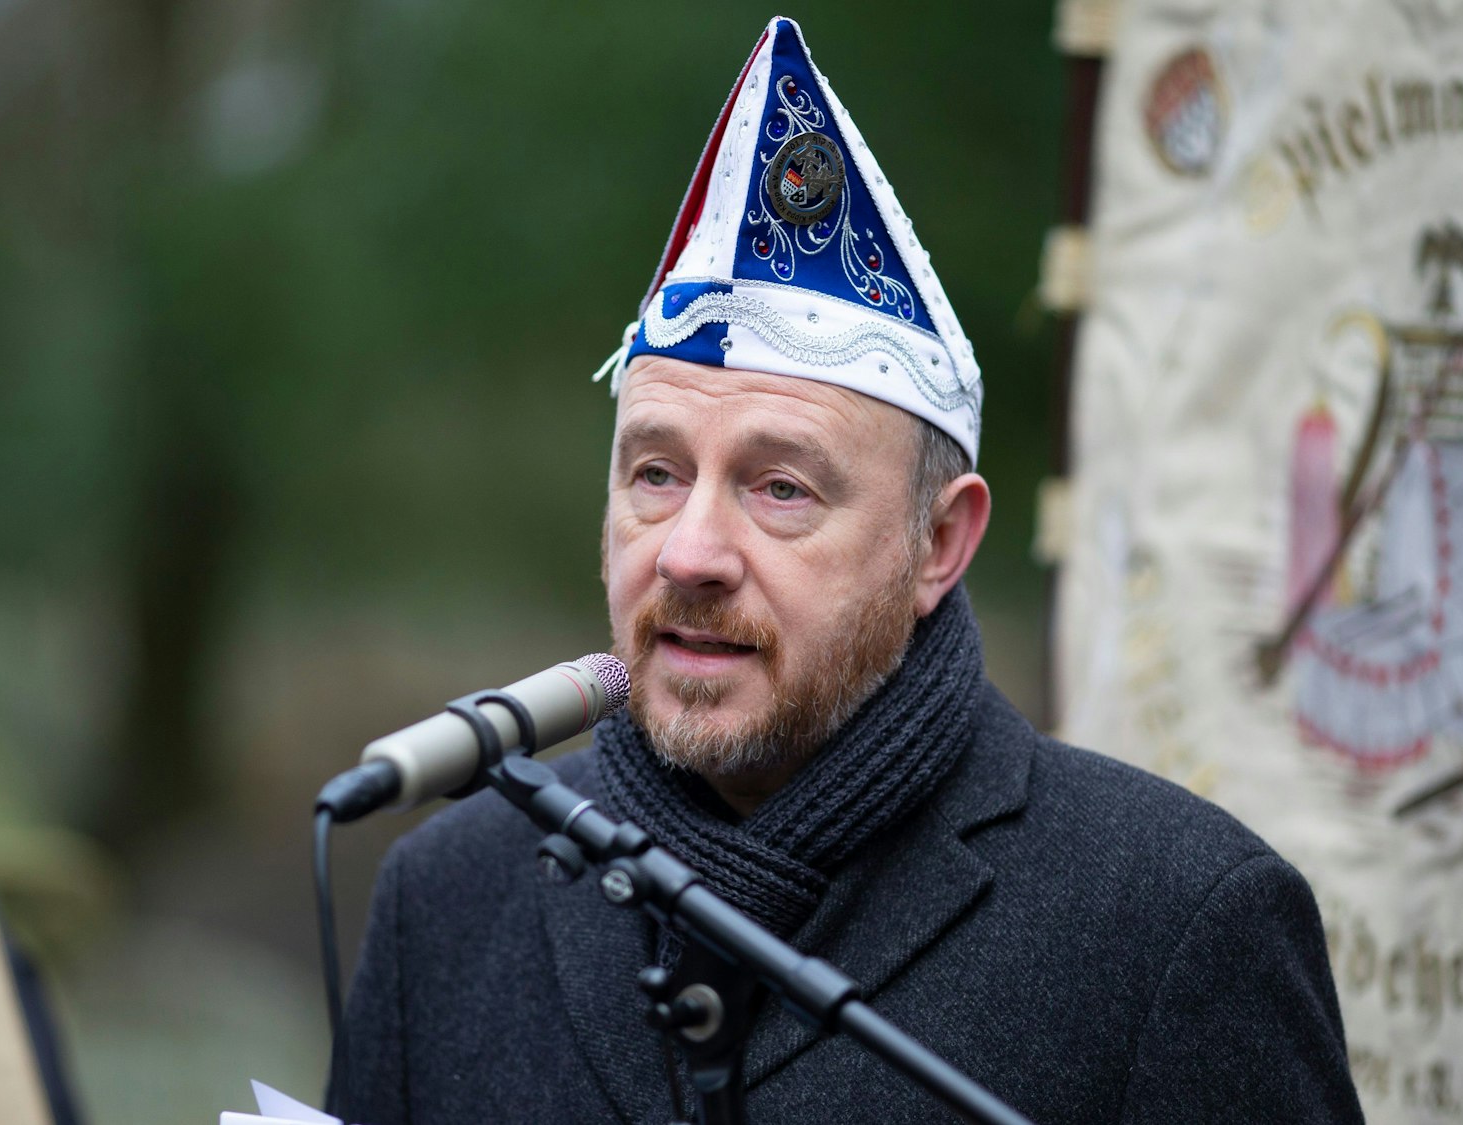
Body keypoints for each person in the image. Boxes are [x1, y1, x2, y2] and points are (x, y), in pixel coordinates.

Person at [330, 16, 1364, 1124]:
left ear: (939, 544)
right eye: (654, 474)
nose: (689, 552)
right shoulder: (449, 897)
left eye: (781, 489)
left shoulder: (1169, 926)